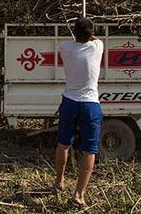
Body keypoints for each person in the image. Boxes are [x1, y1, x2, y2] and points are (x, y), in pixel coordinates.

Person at [54, 17, 103, 208]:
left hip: (70, 102)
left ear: (74, 34)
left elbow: (77, 39)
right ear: (91, 34)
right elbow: (93, 38)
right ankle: (79, 195)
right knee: (89, 150)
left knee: (63, 143)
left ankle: (59, 182)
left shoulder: (65, 48)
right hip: (90, 105)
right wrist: (88, 33)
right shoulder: (98, 46)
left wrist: (79, 34)